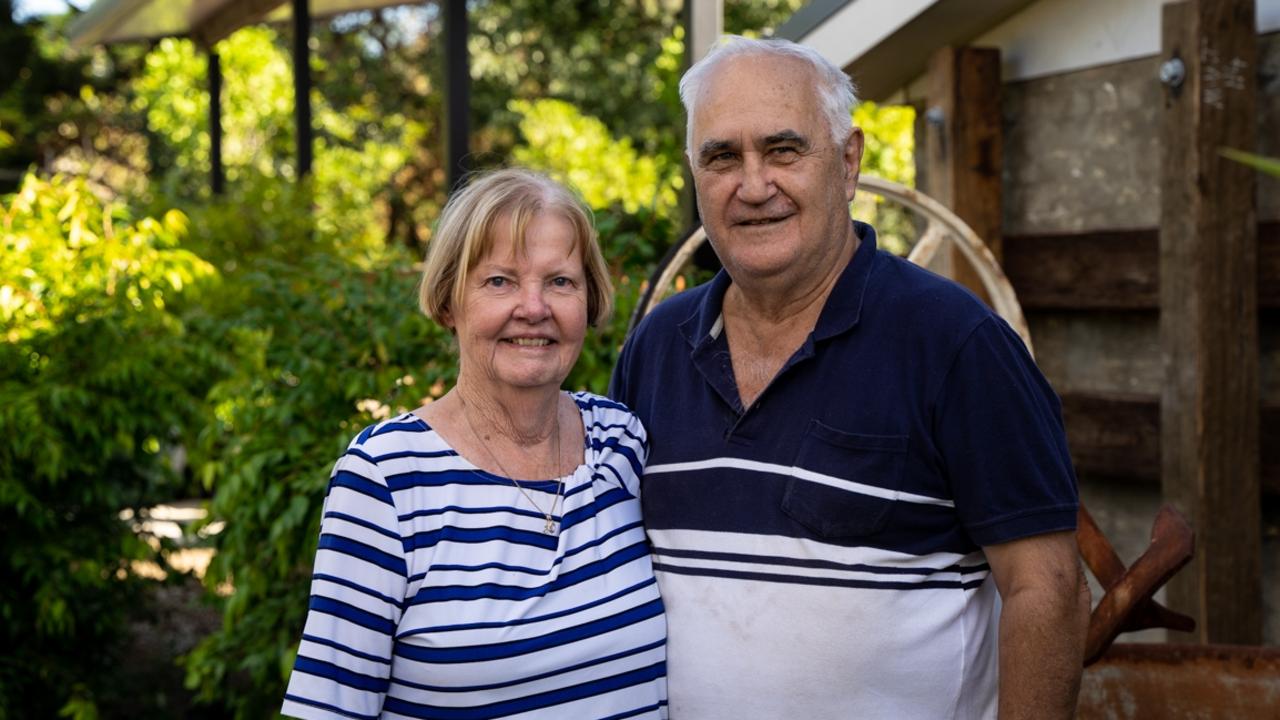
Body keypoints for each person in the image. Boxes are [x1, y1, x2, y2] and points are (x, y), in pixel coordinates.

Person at [610, 36, 1089, 719]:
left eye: (783, 150)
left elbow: (1047, 586)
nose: (753, 186)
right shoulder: (658, 348)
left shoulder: (956, 344)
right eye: (722, 157)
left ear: (847, 161)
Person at [282, 168, 668, 719]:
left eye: (560, 281)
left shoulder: (621, 444)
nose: (534, 308)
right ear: (447, 302)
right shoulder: (387, 479)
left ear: (590, 299)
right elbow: (329, 707)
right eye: (499, 281)